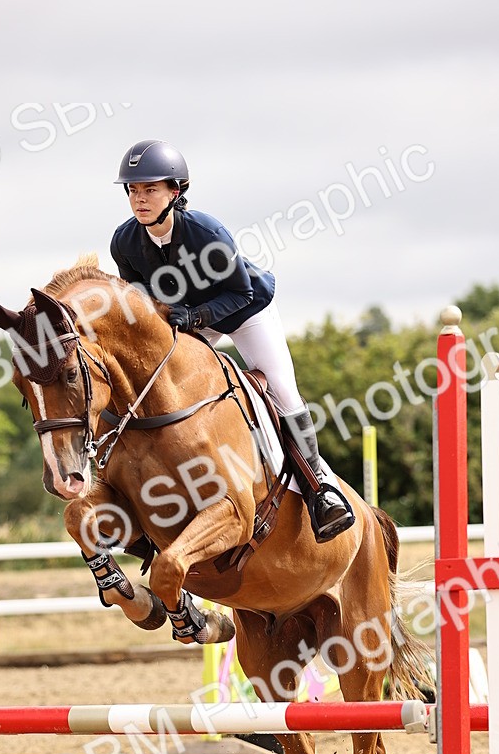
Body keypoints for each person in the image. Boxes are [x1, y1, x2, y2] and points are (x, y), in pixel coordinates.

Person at [109, 139, 355, 543]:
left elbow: (240, 294)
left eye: (150, 189)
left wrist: (197, 316)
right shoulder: (125, 241)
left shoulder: (206, 232)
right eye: (134, 190)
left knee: (281, 390)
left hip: (245, 312)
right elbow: (142, 301)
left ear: (176, 191)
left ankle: (321, 490)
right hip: (189, 321)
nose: (140, 199)